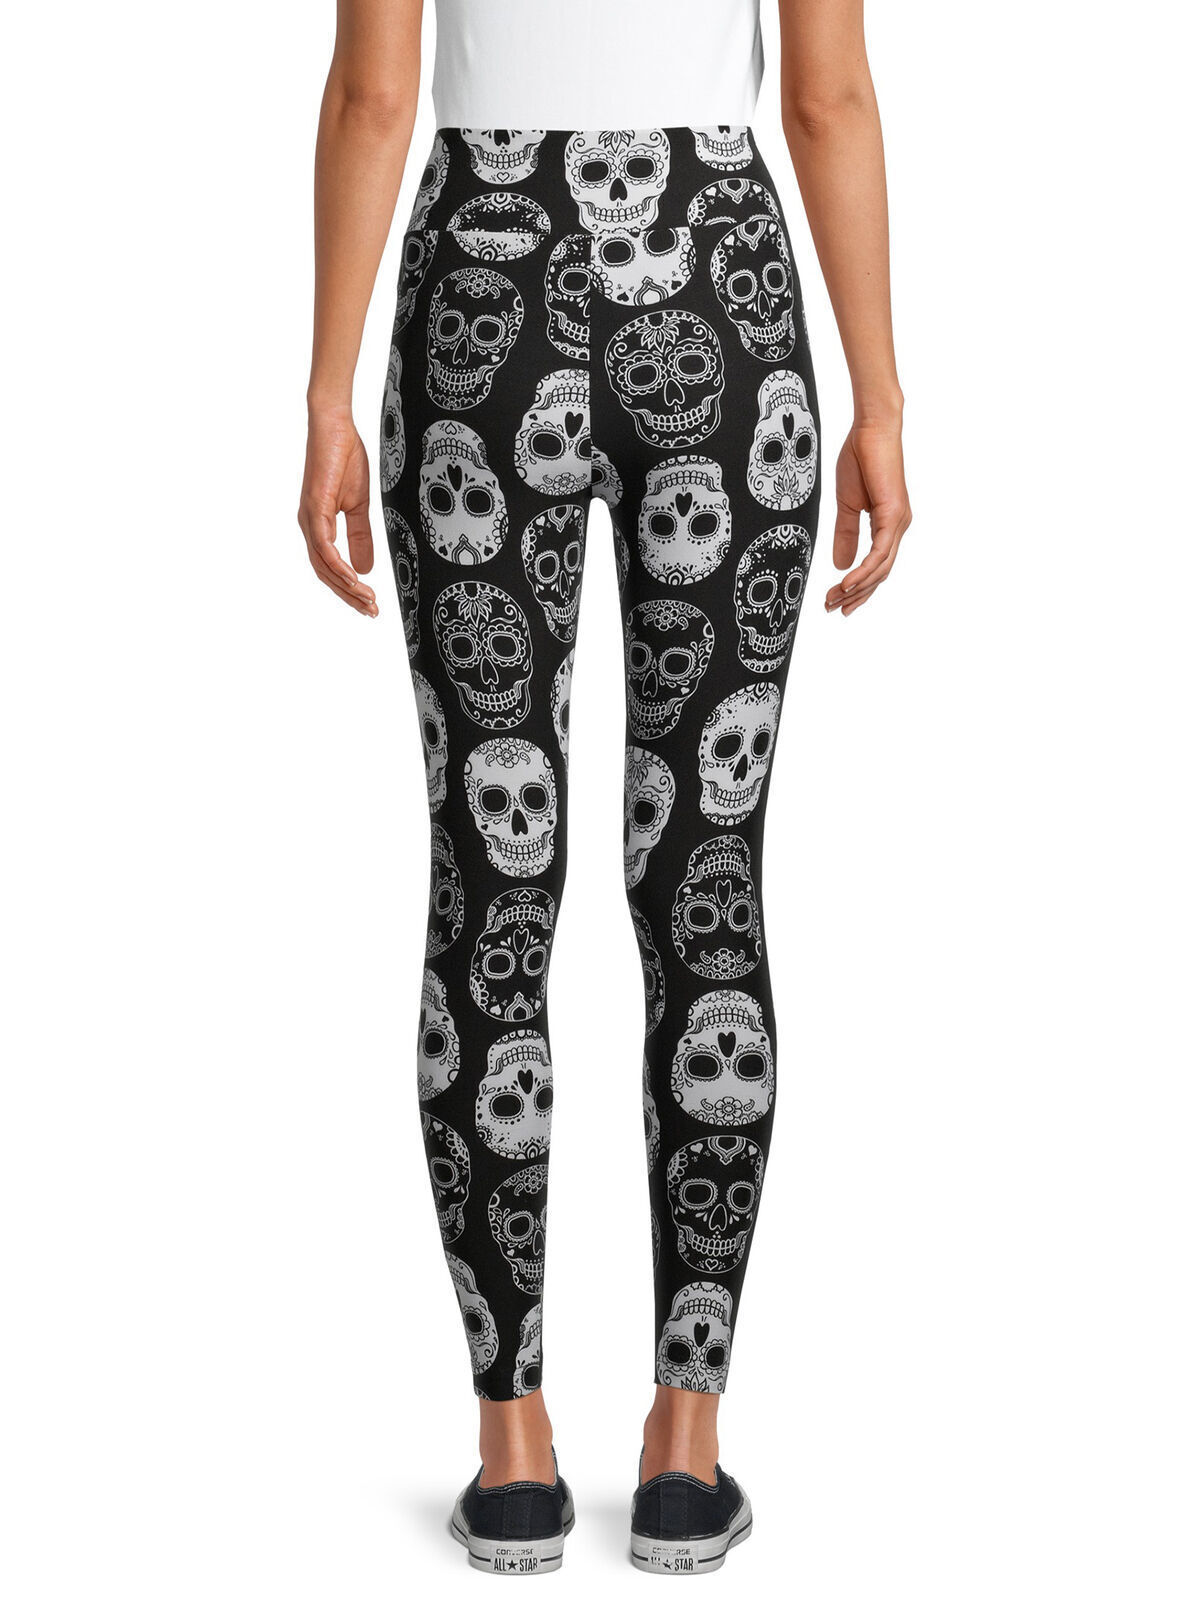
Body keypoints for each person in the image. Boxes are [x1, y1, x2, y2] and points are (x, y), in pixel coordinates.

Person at [297, 0, 911, 1574]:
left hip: (476, 299)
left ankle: (512, 1453)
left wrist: (324, 393)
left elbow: (374, 97)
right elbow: (827, 101)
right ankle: (685, 1449)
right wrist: (882, 398)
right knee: (704, 878)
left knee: (486, 886)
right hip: (718, 291)